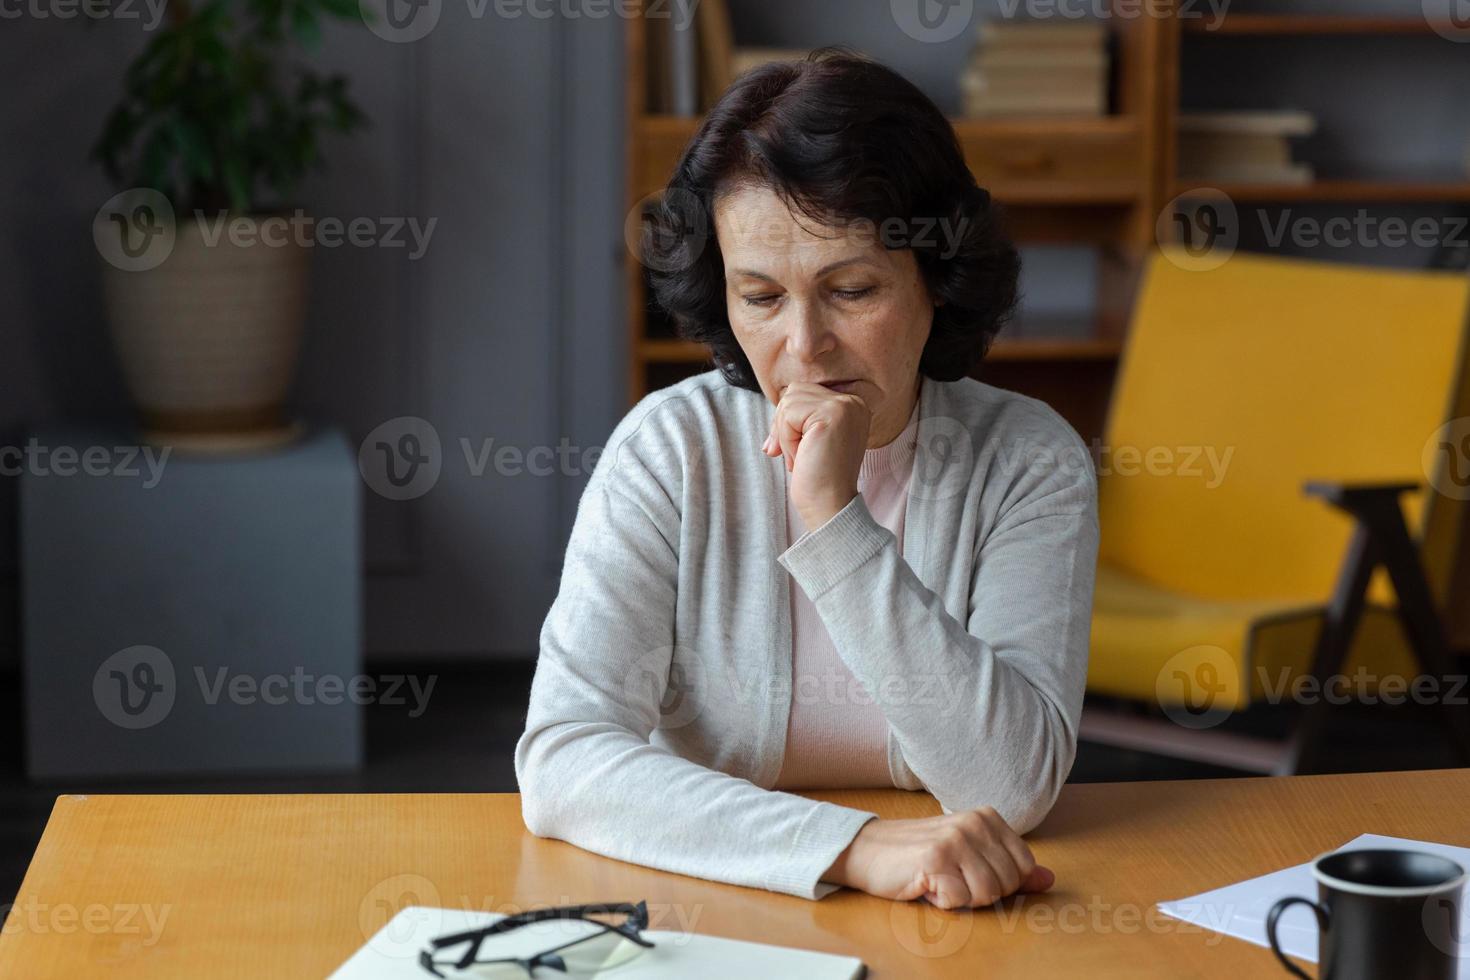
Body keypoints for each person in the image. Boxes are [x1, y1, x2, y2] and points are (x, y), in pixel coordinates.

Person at [515, 49, 1098, 909]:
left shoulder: (1027, 460)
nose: (805, 346)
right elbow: (563, 758)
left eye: (852, 289)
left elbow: (1010, 788)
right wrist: (851, 847)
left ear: (939, 278)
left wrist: (833, 520)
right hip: (708, 894)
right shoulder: (671, 450)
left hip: (953, 911)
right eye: (759, 297)